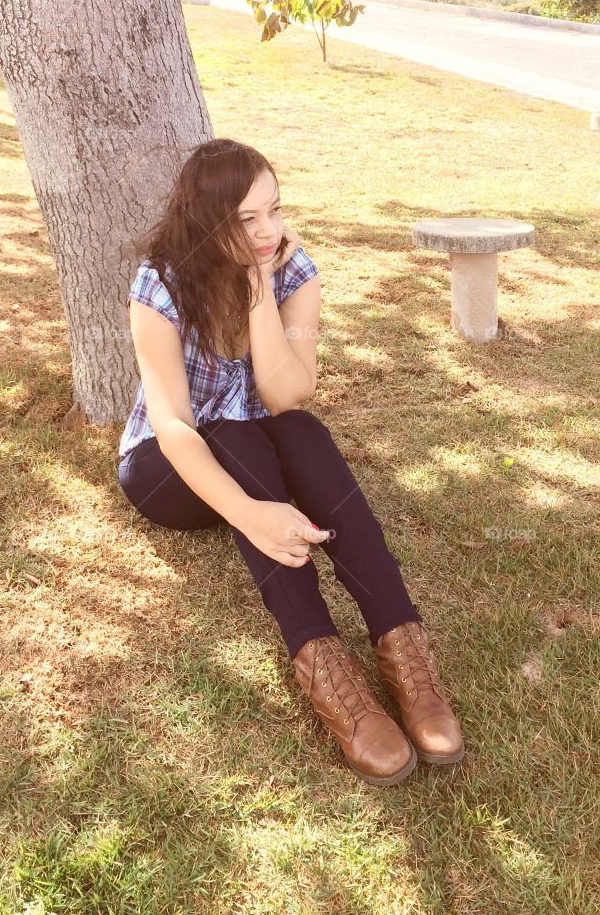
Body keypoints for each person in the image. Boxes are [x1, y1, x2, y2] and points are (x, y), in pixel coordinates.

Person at [116, 137, 465, 785]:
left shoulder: (293, 274)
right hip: (167, 468)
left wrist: (256, 289)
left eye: (274, 211)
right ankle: (332, 679)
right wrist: (249, 514)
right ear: (204, 220)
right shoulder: (159, 286)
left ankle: (404, 652)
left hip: (256, 442)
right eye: (247, 220)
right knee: (238, 437)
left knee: (299, 429)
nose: (268, 231)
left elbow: (284, 392)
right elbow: (171, 424)